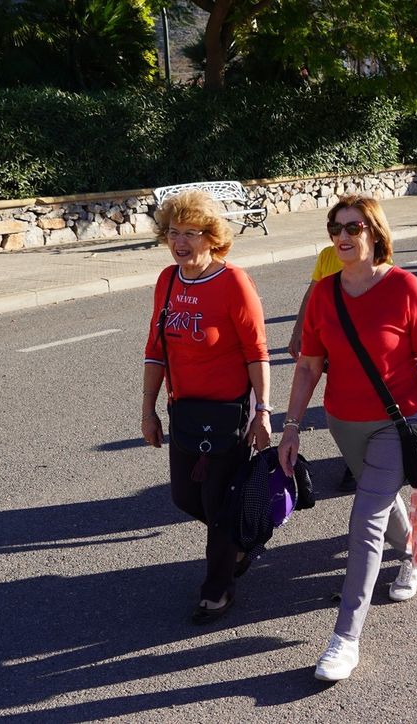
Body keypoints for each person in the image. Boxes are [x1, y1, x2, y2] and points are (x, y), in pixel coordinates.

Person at [278, 194, 417, 682]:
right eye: (336, 227)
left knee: (365, 519)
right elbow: (310, 364)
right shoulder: (323, 293)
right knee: (382, 503)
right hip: (342, 422)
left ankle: (345, 638)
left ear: (374, 233)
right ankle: (413, 555)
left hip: (395, 422)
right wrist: (290, 426)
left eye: (354, 227)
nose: (344, 236)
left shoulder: (403, 287)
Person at [140, 190, 273, 625]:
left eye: (190, 234)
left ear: (211, 238)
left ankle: (217, 589)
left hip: (229, 414)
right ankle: (237, 540)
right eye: (173, 233)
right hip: (185, 411)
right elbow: (156, 348)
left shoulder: (233, 281)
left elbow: (257, 351)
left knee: (217, 503)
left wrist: (263, 411)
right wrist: (148, 409)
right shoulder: (168, 280)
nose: (180, 242)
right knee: (185, 497)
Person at [287, 244, 355, 492]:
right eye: (335, 228)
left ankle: (356, 465)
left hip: (360, 347)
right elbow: (311, 295)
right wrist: (297, 332)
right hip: (330, 342)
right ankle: (353, 457)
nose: (342, 236)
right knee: (340, 402)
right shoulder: (327, 255)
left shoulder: (378, 253)